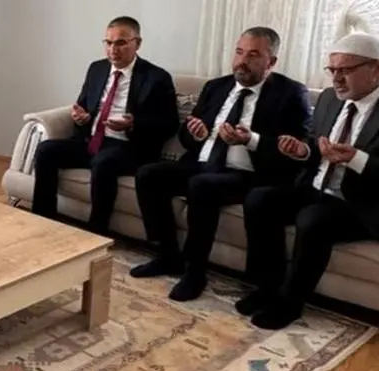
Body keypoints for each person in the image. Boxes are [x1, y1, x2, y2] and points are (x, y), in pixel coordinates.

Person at [238, 33, 379, 329]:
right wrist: (303, 151)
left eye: (346, 70)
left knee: (313, 218)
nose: (337, 79)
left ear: (378, 69)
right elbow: (314, 143)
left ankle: (290, 303)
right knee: (260, 199)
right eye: (332, 70)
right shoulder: (329, 98)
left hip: (361, 205)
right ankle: (266, 288)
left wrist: (357, 159)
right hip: (316, 188)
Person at [130, 27, 311, 301]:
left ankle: (195, 272)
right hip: (203, 163)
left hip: (247, 174)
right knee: (148, 174)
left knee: (202, 186)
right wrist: (197, 134)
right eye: (239, 52)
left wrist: (250, 141)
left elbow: (294, 149)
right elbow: (187, 136)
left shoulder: (291, 93)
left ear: (271, 61)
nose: (242, 61)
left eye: (253, 55)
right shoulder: (216, 87)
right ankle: (168, 255)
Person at [30, 16, 178, 235]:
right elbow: (83, 105)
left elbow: (170, 123)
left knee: (103, 162)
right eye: (108, 43)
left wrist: (133, 124)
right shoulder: (97, 69)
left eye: (121, 43)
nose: (113, 50)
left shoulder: (156, 77)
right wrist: (81, 117)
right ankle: (43, 220)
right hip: (91, 141)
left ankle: (96, 232)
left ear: (137, 43)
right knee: (46, 150)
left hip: (127, 146)